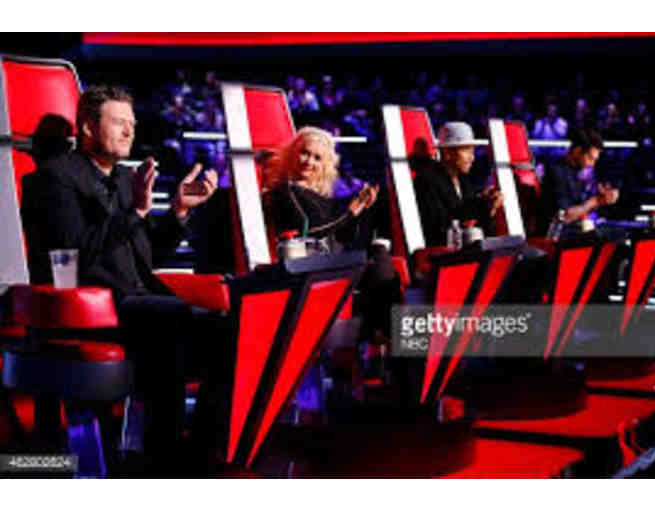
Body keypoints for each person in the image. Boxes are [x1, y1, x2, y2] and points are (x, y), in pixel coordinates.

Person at [21, 85, 219, 474]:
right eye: (119, 122)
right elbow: (76, 250)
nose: (130, 131)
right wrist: (137, 212)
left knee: (224, 329)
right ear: (88, 128)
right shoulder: (55, 178)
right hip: (93, 311)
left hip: (137, 303)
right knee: (173, 321)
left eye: (132, 123)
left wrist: (178, 212)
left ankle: (196, 456)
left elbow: (147, 258)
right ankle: (163, 462)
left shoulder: (126, 179)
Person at [265, 127, 401, 342]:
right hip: (305, 265)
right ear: (293, 154)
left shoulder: (319, 196)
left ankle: (387, 336)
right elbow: (311, 229)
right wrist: (350, 212)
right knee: (380, 265)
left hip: (328, 260)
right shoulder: (287, 190)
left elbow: (342, 235)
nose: (309, 162)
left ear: (325, 165)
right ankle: (390, 336)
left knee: (382, 262)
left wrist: (361, 209)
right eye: (304, 153)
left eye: (317, 158)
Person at [413, 121, 503, 247]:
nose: (472, 158)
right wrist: (482, 206)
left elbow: (476, 224)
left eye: (473, 151)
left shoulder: (464, 181)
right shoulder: (427, 181)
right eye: (467, 150)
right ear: (447, 153)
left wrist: (490, 207)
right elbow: (440, 226)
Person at [539, 129, 619, 234]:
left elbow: (583, 207)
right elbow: (565, 216)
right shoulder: (557, 172)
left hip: (576, 230)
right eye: (590, 158)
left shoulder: (578, 172)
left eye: (595, 160)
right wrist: (596, 201)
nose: (592, 164)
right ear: (577, 151)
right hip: (558, 234)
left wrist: (602, 198)